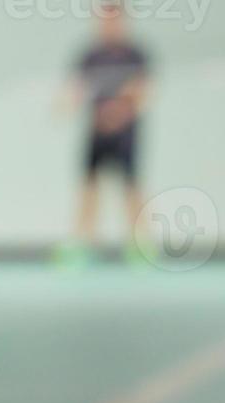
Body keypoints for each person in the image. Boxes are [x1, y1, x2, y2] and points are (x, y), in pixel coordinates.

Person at [60, 2, 151, 265]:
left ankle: (141, 248)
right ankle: (81, 246)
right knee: (88, 188)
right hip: (96, 133)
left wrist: (118, 112)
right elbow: (76, 87)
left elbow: (144, 91)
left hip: (126, 133)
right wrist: (67, 102)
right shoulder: (90, 55)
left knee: (132, 188)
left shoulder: (135, 54)